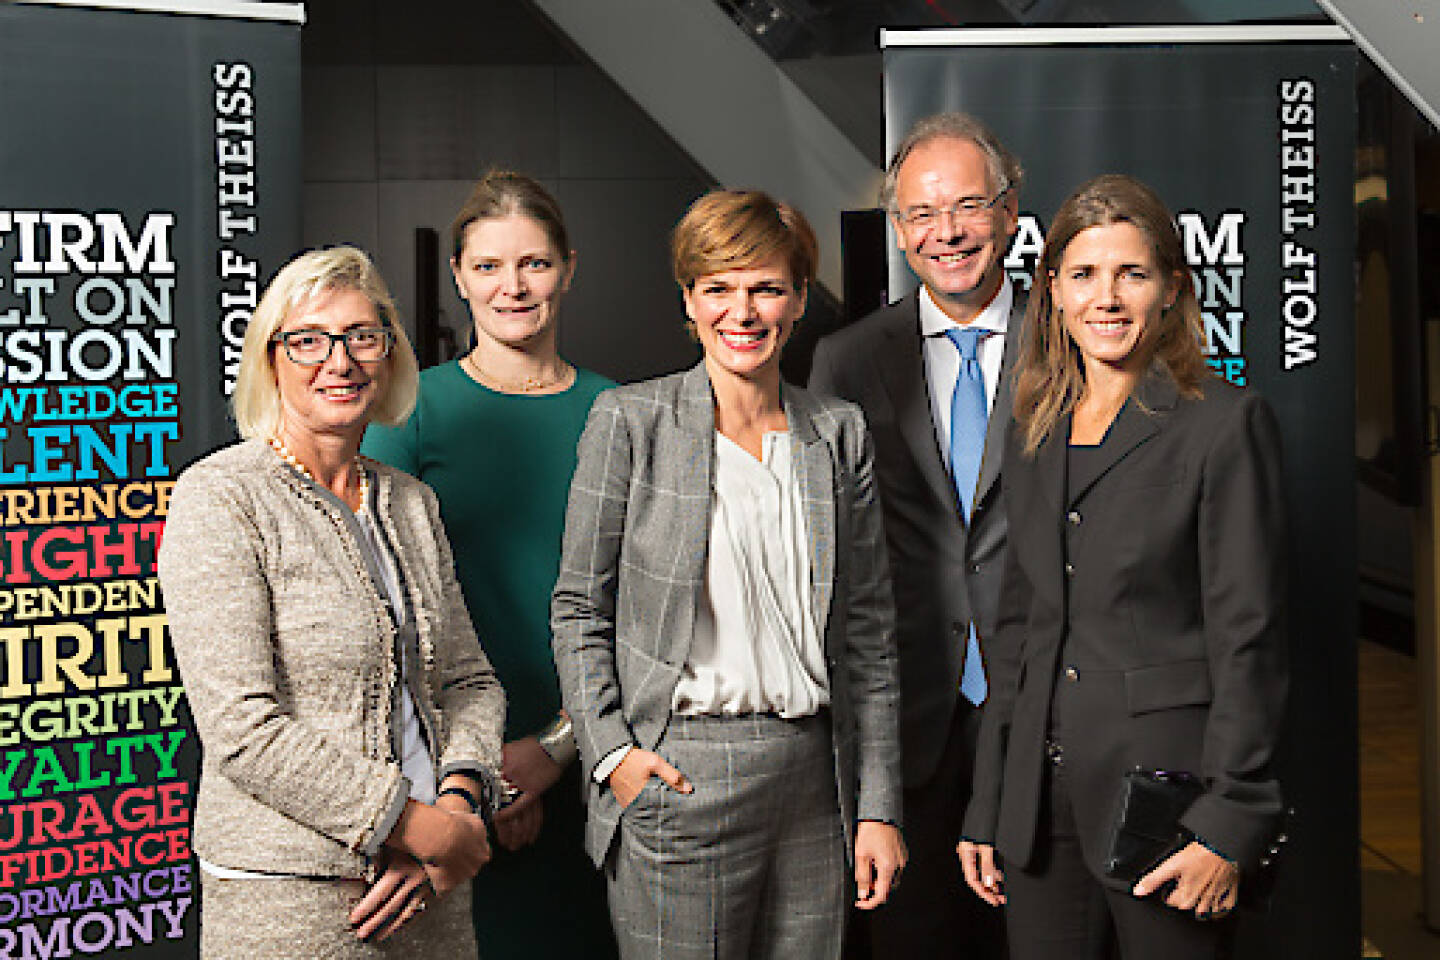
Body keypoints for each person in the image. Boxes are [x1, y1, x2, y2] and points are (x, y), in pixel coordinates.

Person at [552, 189, 906, 960]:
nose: (741, 312)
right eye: (718, 288)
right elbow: (580, 607)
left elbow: (871, 636)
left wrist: (877, 807)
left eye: (766, 288)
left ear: (800, 297)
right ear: (689, 298)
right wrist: (613, 756)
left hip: (815, 782)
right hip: (681, 772)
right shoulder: (630, 422)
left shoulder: (837, 433)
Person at [956, 174, 1287, 960]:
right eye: (1084, 275)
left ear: (1172, 288)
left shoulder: (1222, 425)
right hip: (1038, 810)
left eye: (1131, 274)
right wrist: (989, 799)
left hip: (1169, 805)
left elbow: (1250, 635)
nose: (1106, 298)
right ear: (1055, 292)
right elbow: (1018, 632)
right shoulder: (1035, 426)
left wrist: (1231, 820)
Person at [158, 246, 506, 958]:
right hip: (290, 896)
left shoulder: (410, 501)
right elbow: (242, 727)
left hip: (431, 884)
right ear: (269, 361)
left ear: (388, 354)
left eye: (361, 336)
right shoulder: (222, 497)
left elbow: (468, 681)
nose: (339, 361)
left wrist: (459, 804)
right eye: (308, 340)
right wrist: (408, 823)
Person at [362, 169, 616, 958]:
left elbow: (651, 612)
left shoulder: (624, 413)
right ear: (459, 278)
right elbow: (378, 617)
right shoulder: (405, 413)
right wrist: (475, 774)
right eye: (489, 267)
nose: (513, 286)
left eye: (535, 264)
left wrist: (552, 751)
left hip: (597, 761)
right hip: (443, 784)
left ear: (569, 269)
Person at [808, 111, 1020, 960]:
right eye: (923, 215)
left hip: (1042, 713)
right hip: (906, 729)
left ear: (1008, 212)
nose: (947, 233)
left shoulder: (1073, 341)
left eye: (968, 207)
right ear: (898, 229)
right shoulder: (849, 360)